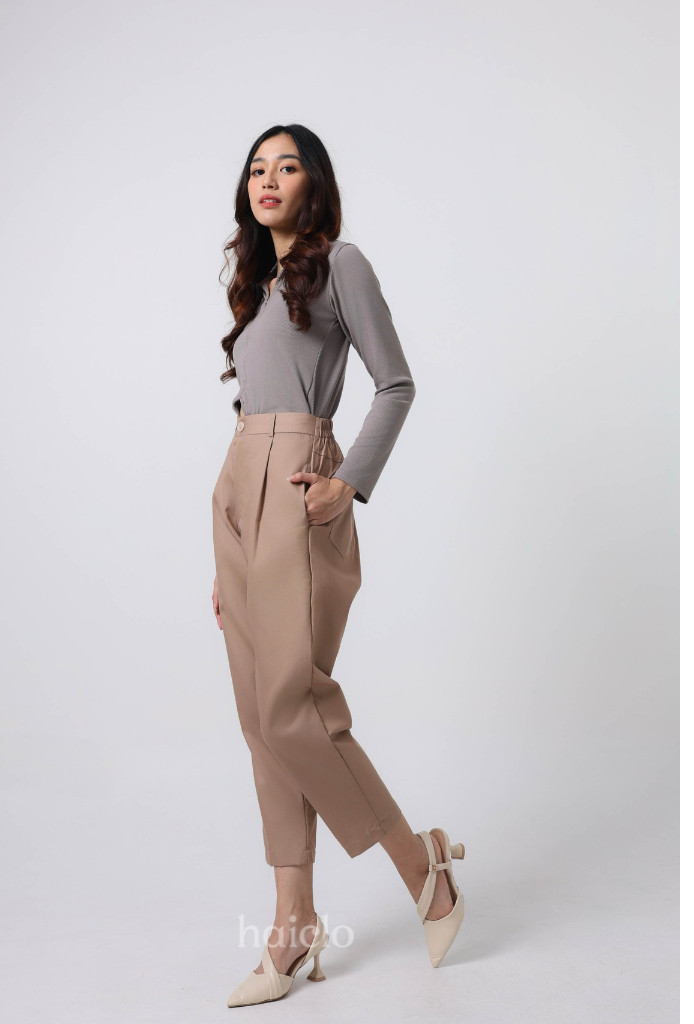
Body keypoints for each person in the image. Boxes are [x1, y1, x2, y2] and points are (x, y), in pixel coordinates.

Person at [210, 124, 466, 1008]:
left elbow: (396, 382)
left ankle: (418, 863)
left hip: (301, 486)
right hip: (239, 489)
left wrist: (347, 482)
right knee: (260, 718)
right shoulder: (257, 285)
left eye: (286, 167)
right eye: (257, 168)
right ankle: (293, 925)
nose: (268, 179)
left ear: (313, 184)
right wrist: (229, 557)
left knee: (293, 706)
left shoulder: (341, 264)